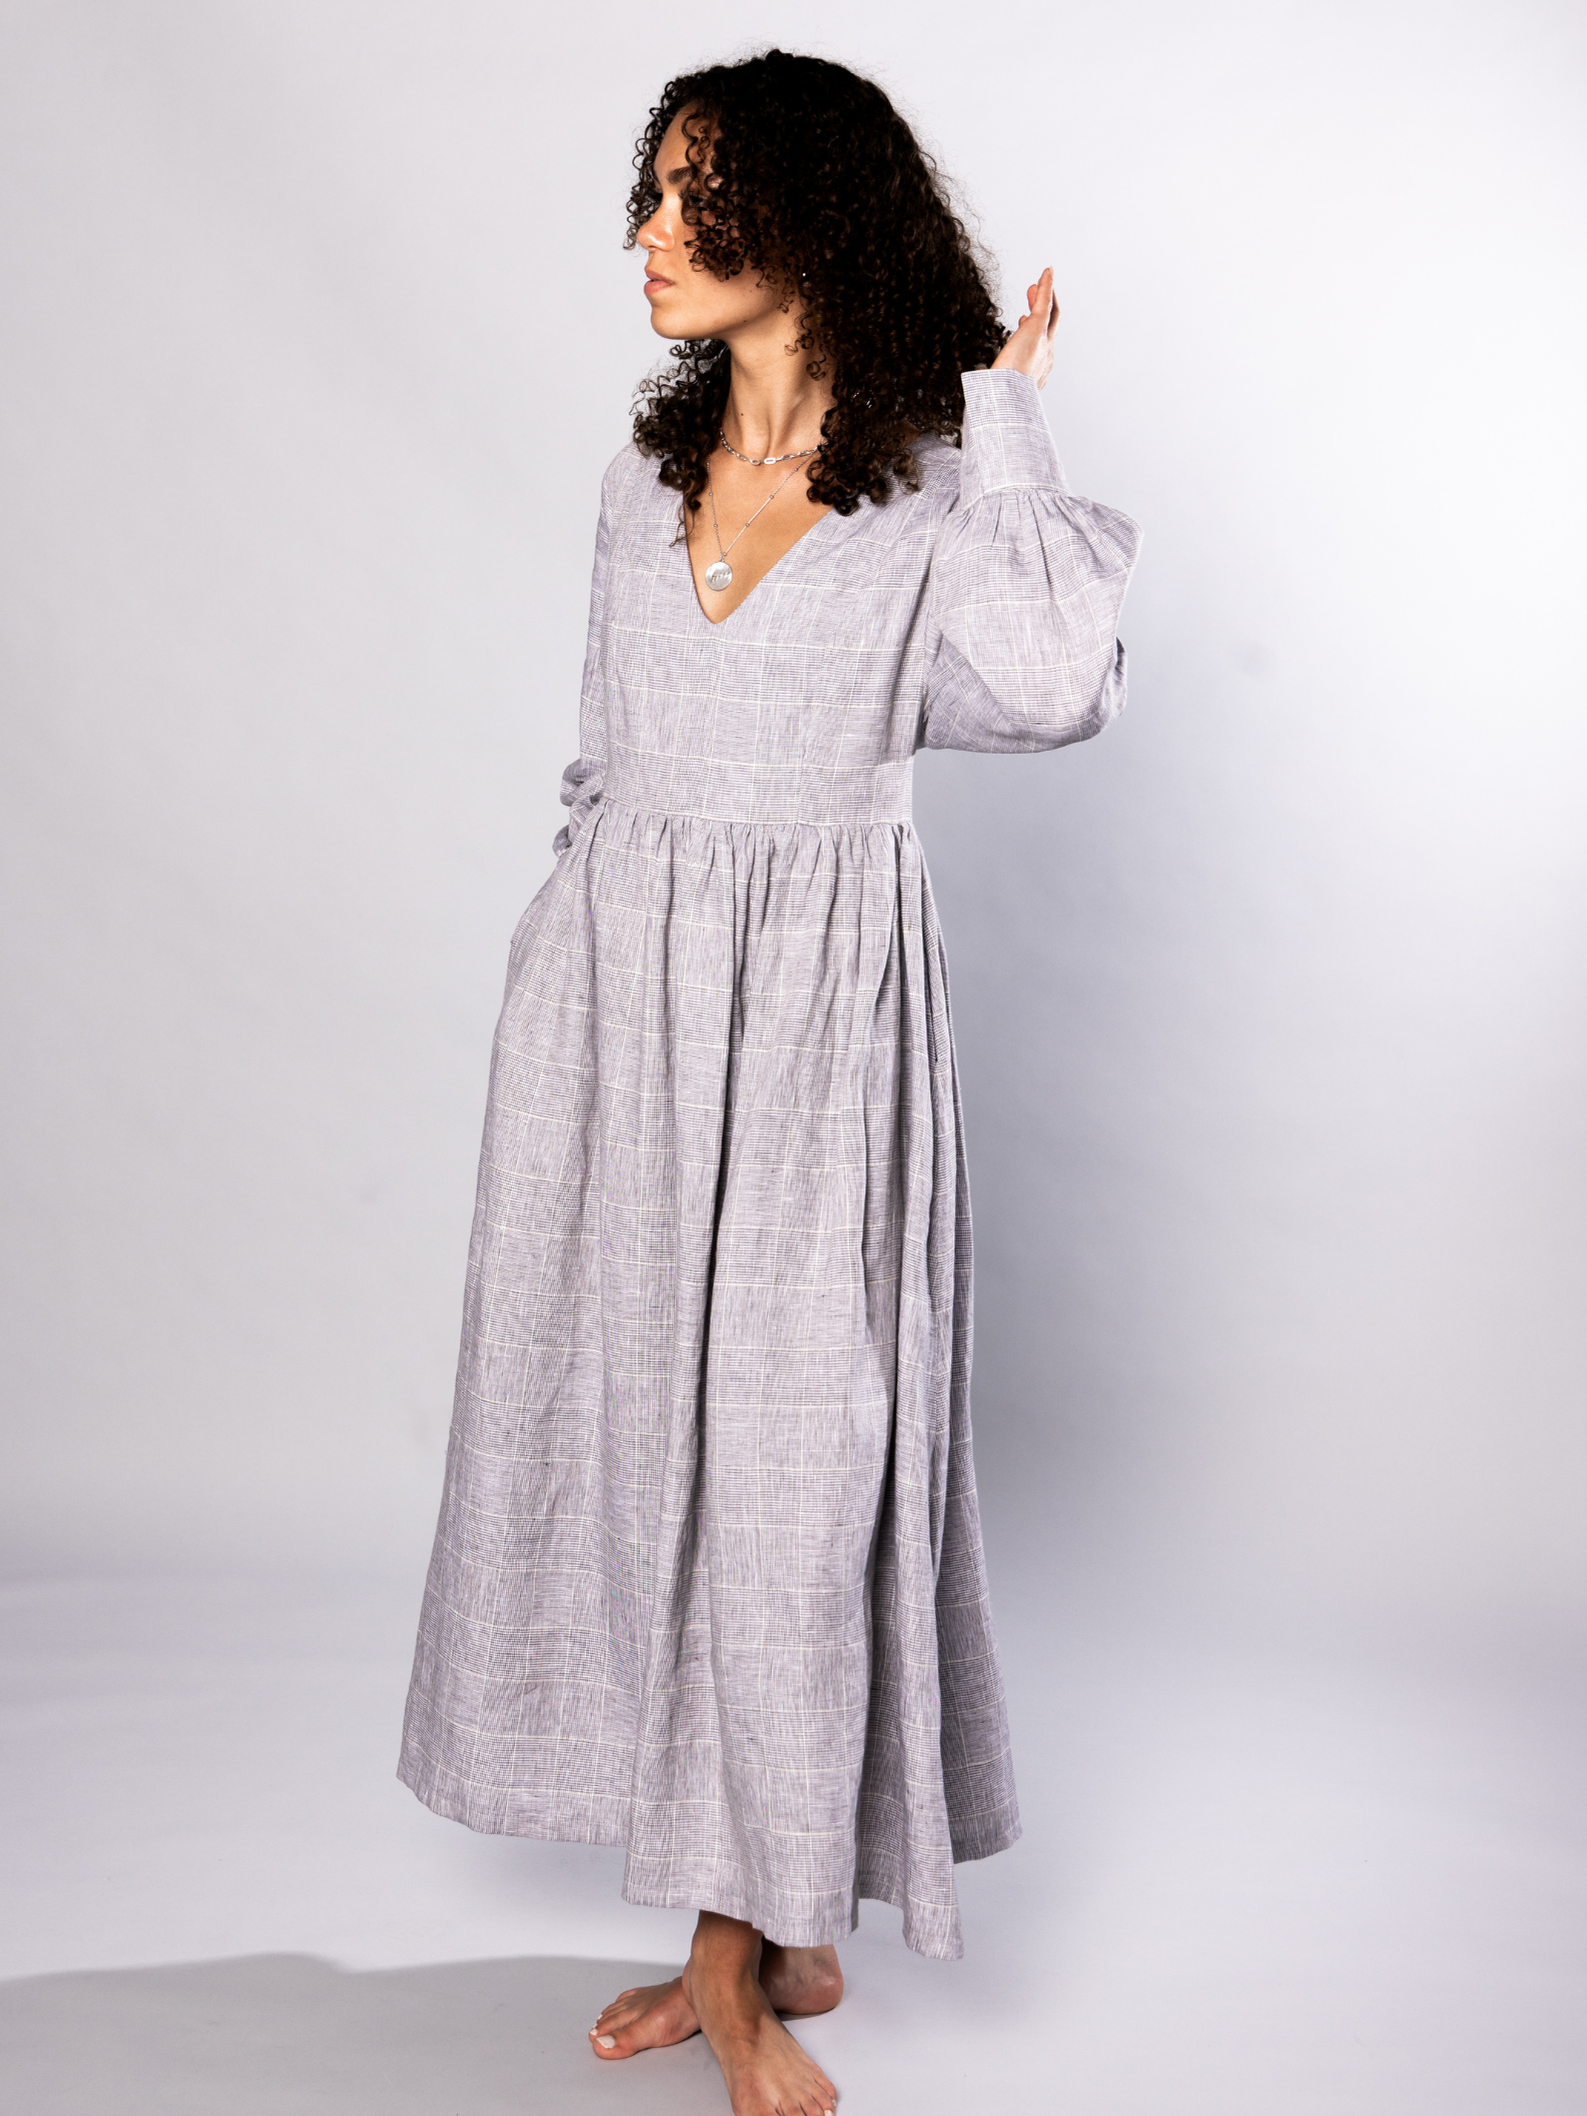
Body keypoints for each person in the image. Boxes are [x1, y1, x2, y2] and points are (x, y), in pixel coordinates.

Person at [399, 48, 1140, 2116]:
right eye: (642, 191)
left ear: (804, 215)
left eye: (691, 193)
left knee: (793, 1486)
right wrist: (569, 987)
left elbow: (1055, 679)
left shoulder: (915, 493)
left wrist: (1003, 403)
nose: (644, 231)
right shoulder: (638, 489)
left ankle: (743, 1955)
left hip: (819, 1054)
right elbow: (607, 758)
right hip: (616, 1036)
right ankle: (771, 1916)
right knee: (661, 1467)